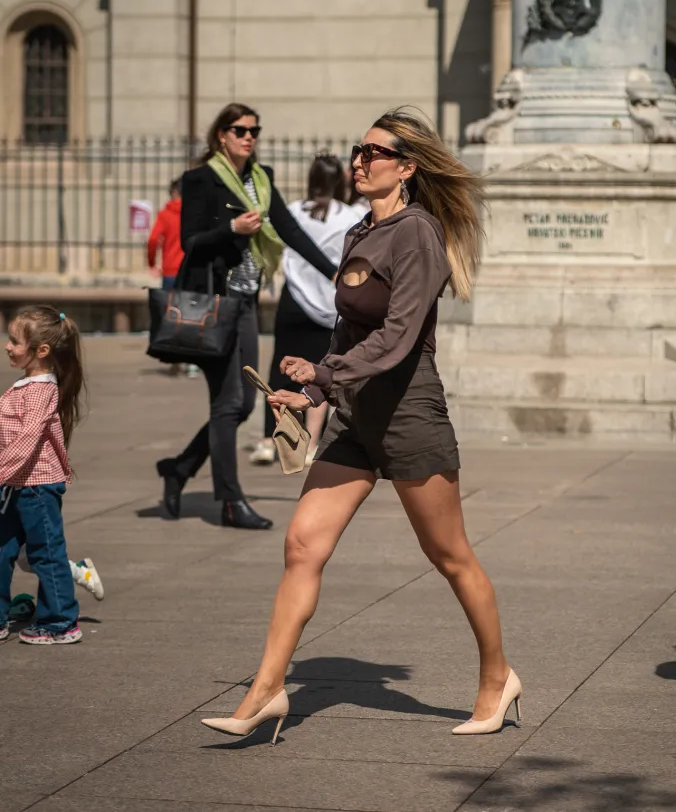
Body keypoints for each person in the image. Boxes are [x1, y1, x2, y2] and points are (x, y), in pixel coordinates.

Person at [201, 108, 521, 743]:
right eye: (357, 150)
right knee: (302, 546)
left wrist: (324, 378)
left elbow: (400, 339)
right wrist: (309, 382)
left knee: (449, 555)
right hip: (355, 418)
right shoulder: (357, 232)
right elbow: (349, 334)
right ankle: (266, 691)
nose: (359, 160)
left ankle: (498, 676)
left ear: (406, 168)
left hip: (408, 413)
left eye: (374, 153)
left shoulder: (418, 234)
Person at [156, 103, 337, 530]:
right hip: (214, 303)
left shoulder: (261, 178)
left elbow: (290, 230)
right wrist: (232, 232)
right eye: (239, 130)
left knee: (247, 402)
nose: (248, 136)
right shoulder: (199, 180)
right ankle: (231, 502)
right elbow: (191, 241)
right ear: (221, 135)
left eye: (254, 130)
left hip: (246, 303)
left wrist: (333, 271)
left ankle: (180, 468)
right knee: (227, 402)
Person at [251, 154, 359, 466]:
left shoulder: (295, 211)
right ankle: (311, 444)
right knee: (319, 373)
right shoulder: (349, 215)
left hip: (294, 301)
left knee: (278, 371)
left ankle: (268, 439)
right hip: (329, 305)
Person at [0, 305, 86, 644]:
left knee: (46, 554)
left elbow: (27, 441)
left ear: (42, 350)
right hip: (14, 483)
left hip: (37, 486)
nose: (8, 346)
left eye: (14, 341)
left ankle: (60, 623)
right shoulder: (25, 385)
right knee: (3, 550)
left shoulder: (41, 391)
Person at [147, 178, 199, 378]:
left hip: (170, 271)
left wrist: (152, 263)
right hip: (192, 270)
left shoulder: (166, 214)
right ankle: (193, 362)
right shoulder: (195, 214)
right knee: (192, 315)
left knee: (173, 318)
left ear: (174, 193)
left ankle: (176, 360)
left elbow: (153, 240)